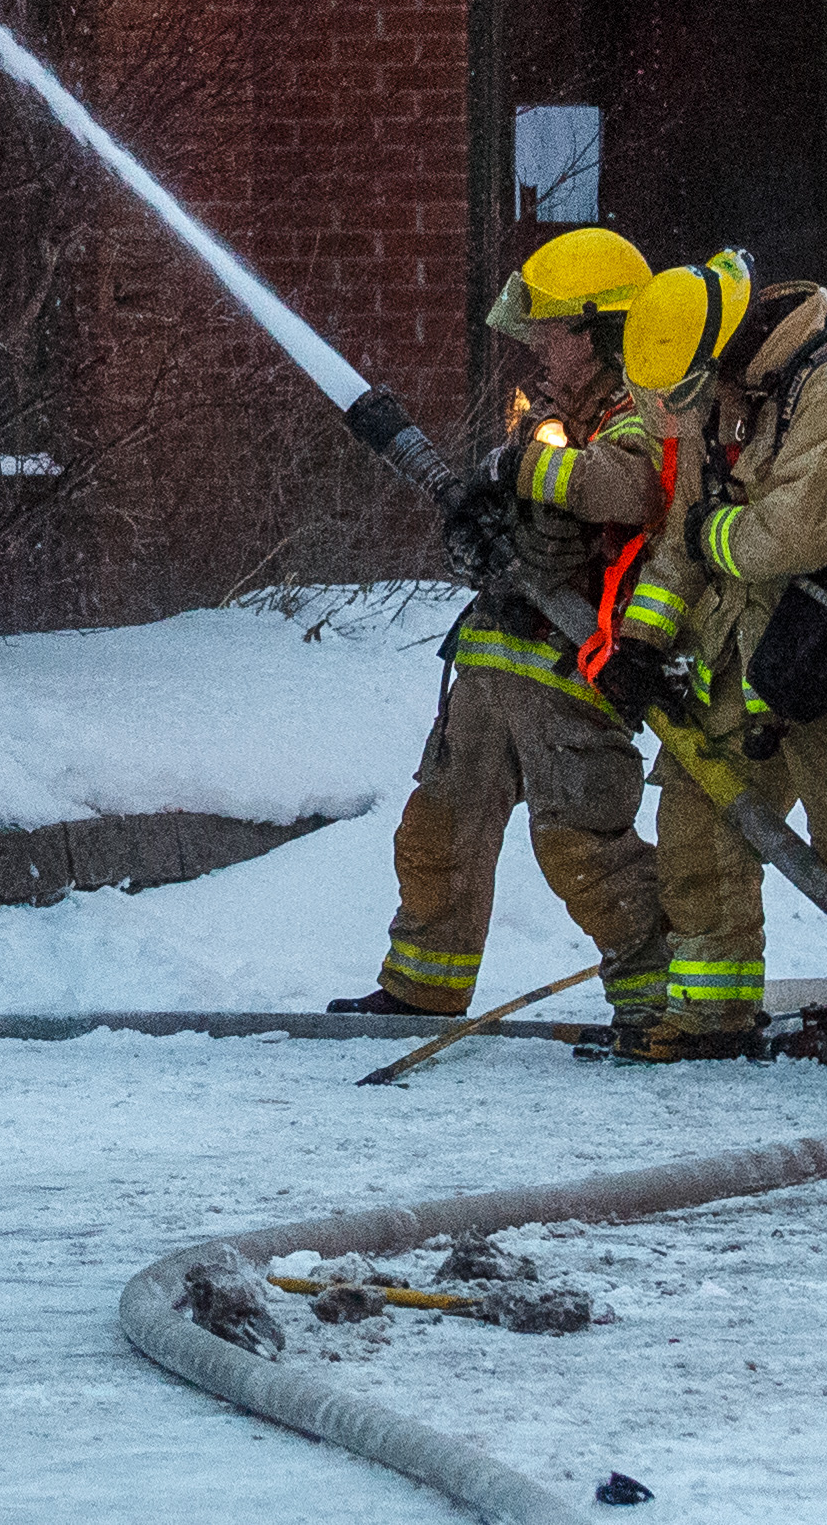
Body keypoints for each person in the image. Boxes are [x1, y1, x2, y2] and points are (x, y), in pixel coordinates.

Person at [326, 228, 685, 1052]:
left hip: (574, 663)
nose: (540, 351)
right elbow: (520, 511)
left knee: (579, 839)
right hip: (496, 653)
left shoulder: (644, 410)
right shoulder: (554, 417)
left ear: (602, 332)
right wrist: (479, 529)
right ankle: (423, 984)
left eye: (553, 332)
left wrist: (516, 474)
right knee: (440, 822)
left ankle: (658, 1000)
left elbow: (625, 488)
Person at [637, 272, 827, 1048]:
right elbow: (683, 532)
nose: (692, 407)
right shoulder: (729, 397)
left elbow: (789, 534)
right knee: (697, 832)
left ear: (726, 347)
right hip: (735, 660)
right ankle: (710, 1012)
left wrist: (708, 534)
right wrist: (642, 637)